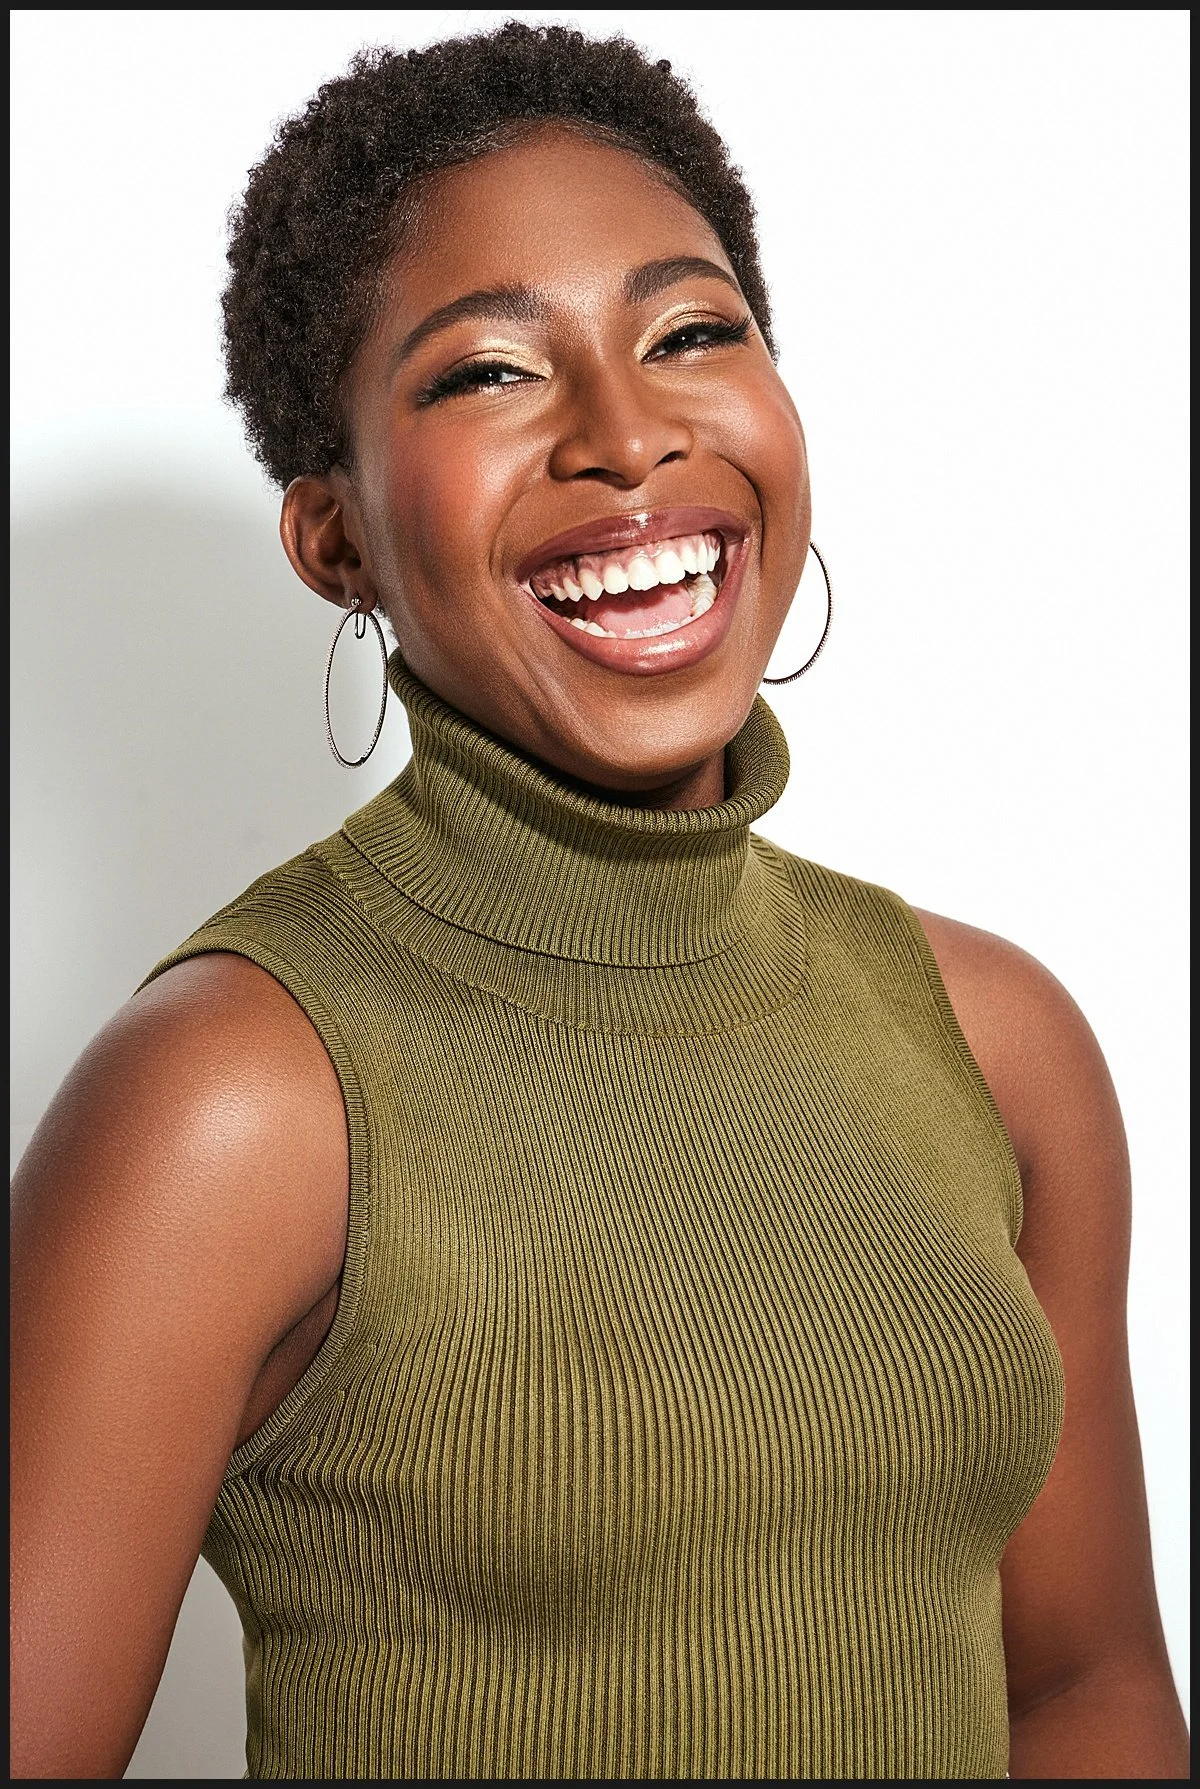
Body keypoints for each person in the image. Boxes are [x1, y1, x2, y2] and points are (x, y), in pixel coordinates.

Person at [9, 21, 1188, 1781]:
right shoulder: (236, 1095)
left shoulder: (994, 1035)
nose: (629, 438)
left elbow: (1083, 1690)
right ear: (334, 537)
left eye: (694, 333)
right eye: (488, 373)